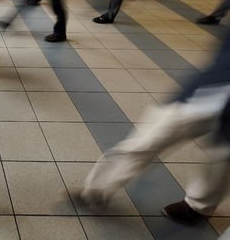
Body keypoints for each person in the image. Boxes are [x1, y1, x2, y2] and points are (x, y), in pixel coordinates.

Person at [80, 30, 230, 226]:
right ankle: (96, 190)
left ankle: (198, 206)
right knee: (148, 139)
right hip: (211, 88)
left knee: (222, 159)